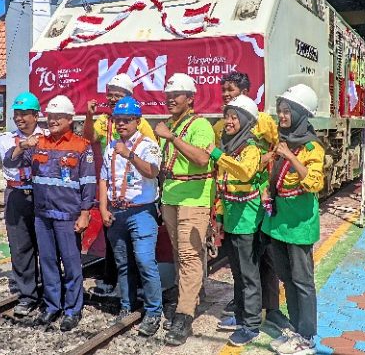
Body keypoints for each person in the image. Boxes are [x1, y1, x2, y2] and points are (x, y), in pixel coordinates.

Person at [212, 72, 288, 333]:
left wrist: (262, 161)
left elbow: (279, 149)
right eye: (224, 91)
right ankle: (245, 311)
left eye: (231, 90)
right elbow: (222, 171)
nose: (226, 95)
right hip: (234, 207)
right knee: (241, 267)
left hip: (256, 203)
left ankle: (267, 314)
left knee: (261, 264)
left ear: (245, 91)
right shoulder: (222, 130)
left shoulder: (262, 122)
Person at [14, 95, 96, 331]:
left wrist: (85, 213)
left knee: (71, 265)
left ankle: (72, 309)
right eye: (50, 116)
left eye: (58, 117)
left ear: (70, 119)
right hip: (43, 215)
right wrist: (22, 145)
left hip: (68, 215)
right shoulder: (38, 143)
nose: (53, 121)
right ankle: (52, 306)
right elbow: (13, 161)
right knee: (48, 263)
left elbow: (88, 183)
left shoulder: (82, 146)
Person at [261, 85, 325, 355]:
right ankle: (296, 329)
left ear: (300, 114)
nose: (282, 116)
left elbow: (313, 182)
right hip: (278, 222)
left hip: (298, 224)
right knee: (287, 279)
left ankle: (307, 337)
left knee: (302, 282)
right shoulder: (283, 141)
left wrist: (288, 156)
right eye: (280, 112)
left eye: (287, 112)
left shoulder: (311, 147)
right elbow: (275, 175)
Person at [154, 73, 216, 346]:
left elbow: (203, 159)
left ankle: (184, 315)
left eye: (176, 95)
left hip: (194, 198)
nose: (170, 99)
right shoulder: (169, 124)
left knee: (190, 256)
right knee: (181, 255)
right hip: (171, 196)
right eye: (168, 95)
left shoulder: (200, 125)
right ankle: (192, 298)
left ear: (190, 99)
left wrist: (171, 137)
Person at [83, 73, 156, 298]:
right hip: (111, 187)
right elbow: (89, 137)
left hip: (136, 191)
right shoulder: (105, 120)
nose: (113, 99)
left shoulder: (141, 125)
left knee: (139, 251)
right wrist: (88, 116)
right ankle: (112, 281)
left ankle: (140, 289)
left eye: (118, 95)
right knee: (113, 241)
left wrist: (130, 155)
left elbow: (151, 162)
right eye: (110, 95)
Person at [98, 97, 163, 337]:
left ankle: (154, 311)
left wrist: (129, 155)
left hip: (141, 212)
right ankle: (127, 305)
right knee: (123, 263)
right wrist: (103, 209)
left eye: (127, 120)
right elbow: (103, 179)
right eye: (118, 120)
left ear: (137, 120)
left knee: (145, 262)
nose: (121, 124)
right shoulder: (111, 146)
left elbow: (153, 172)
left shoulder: (148, 145)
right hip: (117, 212)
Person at [208, 95, 267, 346]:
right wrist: (219, 216)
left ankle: (251, 325)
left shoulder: (251, 149)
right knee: (238, 273)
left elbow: (244, 172)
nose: (228, 122)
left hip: (247, 221)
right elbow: (223, 186)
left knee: (249, 274)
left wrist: (217, 154)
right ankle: (241, 316)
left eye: (234, 117)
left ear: (245, 121)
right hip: (232, 220)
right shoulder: (231, 148)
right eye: (227, 116)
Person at [0, 92, 46, 317]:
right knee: (20, 246)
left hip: (42, 194)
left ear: (36, 115)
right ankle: (27, 295)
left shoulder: (47, 136)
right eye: (16, 114)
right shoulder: (4, 139)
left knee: (46, 245)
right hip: (16, 194)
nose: (19, 118)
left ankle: (48, 291)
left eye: (24, 114)